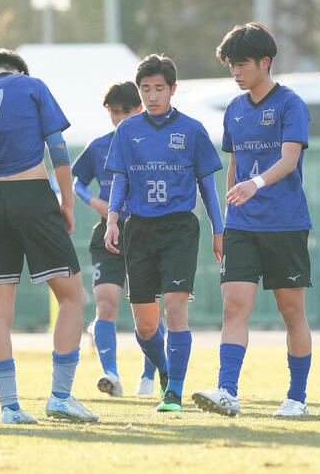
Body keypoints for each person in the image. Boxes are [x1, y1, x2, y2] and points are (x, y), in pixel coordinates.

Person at [0, 48, 96, 425]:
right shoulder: (32, 85)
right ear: (18, 70)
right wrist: (67, 201)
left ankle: (10, 408)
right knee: (72, 298)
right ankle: (61, 397)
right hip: (33, 197)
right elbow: (58, 149)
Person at [191, 22, 314, 418]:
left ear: (265, 62)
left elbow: (289, 159)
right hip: (242, 225)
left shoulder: (291, 104)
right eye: (231, 66)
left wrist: (255, 185)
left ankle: (297, 398)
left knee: (291, 312)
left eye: (241, 64)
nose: (235, 73)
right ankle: (227, 391)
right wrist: (225, 220)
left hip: (286, 222)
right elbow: (235, 165)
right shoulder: (234, 109)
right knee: (234, 307)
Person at [103, 54, 224, 413]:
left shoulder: (192, 130)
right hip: (138, 228)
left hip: (179, 228)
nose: (152, 96)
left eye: (159, 88)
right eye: (146, 89)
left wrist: (220, 230)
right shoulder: (128, 130)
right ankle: (167, 372)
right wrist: (112, 219)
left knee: (175, 310)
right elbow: (121, 178)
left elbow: (208, 186)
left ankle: (174, 392)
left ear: (173, 89)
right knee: (144, 325)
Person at [73, 81, 161, 397]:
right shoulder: (98, 147)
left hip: (147, 235)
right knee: (106, 305)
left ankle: (150, 377)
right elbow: (77, 182)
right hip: (108, 235)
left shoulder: (154, 145)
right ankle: (110, 375)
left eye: (127, 111)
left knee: (148, 314)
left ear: (139, 109)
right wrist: (94, 202)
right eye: (115, 111)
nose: (120, 117)